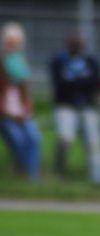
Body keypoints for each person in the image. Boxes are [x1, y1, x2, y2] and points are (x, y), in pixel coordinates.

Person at [50, 31, 100, 184]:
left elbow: (96, 83)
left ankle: (97, 179)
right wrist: (81, 83)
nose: (76, 46)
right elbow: (60, 84)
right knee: (65, 138)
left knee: (93, 142)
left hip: (87, 106)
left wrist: (77, 84)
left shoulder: (91, 61)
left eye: (78, 44)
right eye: (73, 44)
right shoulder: (59, 61)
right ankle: (59, 169)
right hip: (66, 106)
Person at [0, 22, 41, 181]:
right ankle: (22, 172)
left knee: (33, 137)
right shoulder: (2, 62)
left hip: (19, 110)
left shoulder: (19, 61)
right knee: (18, 139)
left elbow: (25, 89)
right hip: (4, 113)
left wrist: (26, 108)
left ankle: (32, 175)